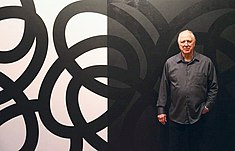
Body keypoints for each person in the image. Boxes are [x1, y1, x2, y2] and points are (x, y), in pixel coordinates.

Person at [156, 30, 218, 151]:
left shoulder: (206, 63)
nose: (186, 44)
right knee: (175, 147)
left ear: (194, 43)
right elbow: (163, 88)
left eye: (189, 41)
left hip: (199, 116)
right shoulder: (170, 63)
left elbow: (214, 87)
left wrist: (207, 106)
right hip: (176, 116)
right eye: (183, 41)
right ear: (179, 44)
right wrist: (161, 110)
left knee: (197, 147)